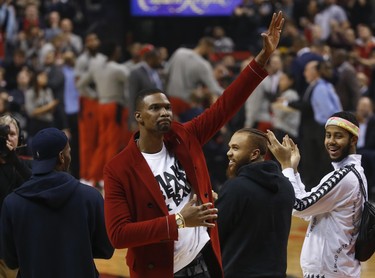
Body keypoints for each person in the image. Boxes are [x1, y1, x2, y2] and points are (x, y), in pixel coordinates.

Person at [103, 11, 285, 278]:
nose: (165, 112)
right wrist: (178, 221)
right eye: (155, 108)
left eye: (167, 107)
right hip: (163, 270)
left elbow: (225, 106)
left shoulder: (184, 136)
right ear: (139, 117)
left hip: (204, 261)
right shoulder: (119, 168)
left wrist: (262, 58)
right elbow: (118, 235)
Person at [0, 127, 114, 277]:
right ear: (61, 156)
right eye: (69, 151)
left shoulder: (12, 203)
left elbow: (11, 260)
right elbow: (106, 250)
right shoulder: (91, 197)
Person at [267, 111, 367, 278]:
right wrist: (294, 170)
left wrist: (286, 166)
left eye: (338, 136)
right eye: (328, 135)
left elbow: (299, 206)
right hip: (337, 270)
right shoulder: (353, 173)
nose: (331, 141)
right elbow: (309, 210)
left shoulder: (344, 177)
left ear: (353, 139)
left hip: (329, 272)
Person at [216, 128, 295, 277]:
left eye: (235, 148)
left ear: (254, 154)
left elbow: (215, 234)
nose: (229, 153)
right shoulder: (286, 186)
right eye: (229, 147)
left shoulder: (235, 188)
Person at [0, 114, 31, 278]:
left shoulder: (24, 166)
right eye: (3, 135)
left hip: (14, 249)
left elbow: (36, 186)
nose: (8, 139)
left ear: (20, 138)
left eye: (12, 134)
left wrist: (13, 159)